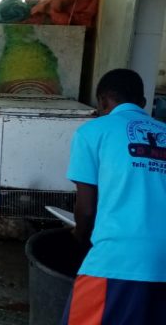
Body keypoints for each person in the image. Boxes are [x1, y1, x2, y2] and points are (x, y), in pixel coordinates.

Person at [62, 69, 166, 324]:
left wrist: (78, 238)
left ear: (103, 101)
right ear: (142, 103)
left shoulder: (93, 132)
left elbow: (86, 210)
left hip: (116, 260)